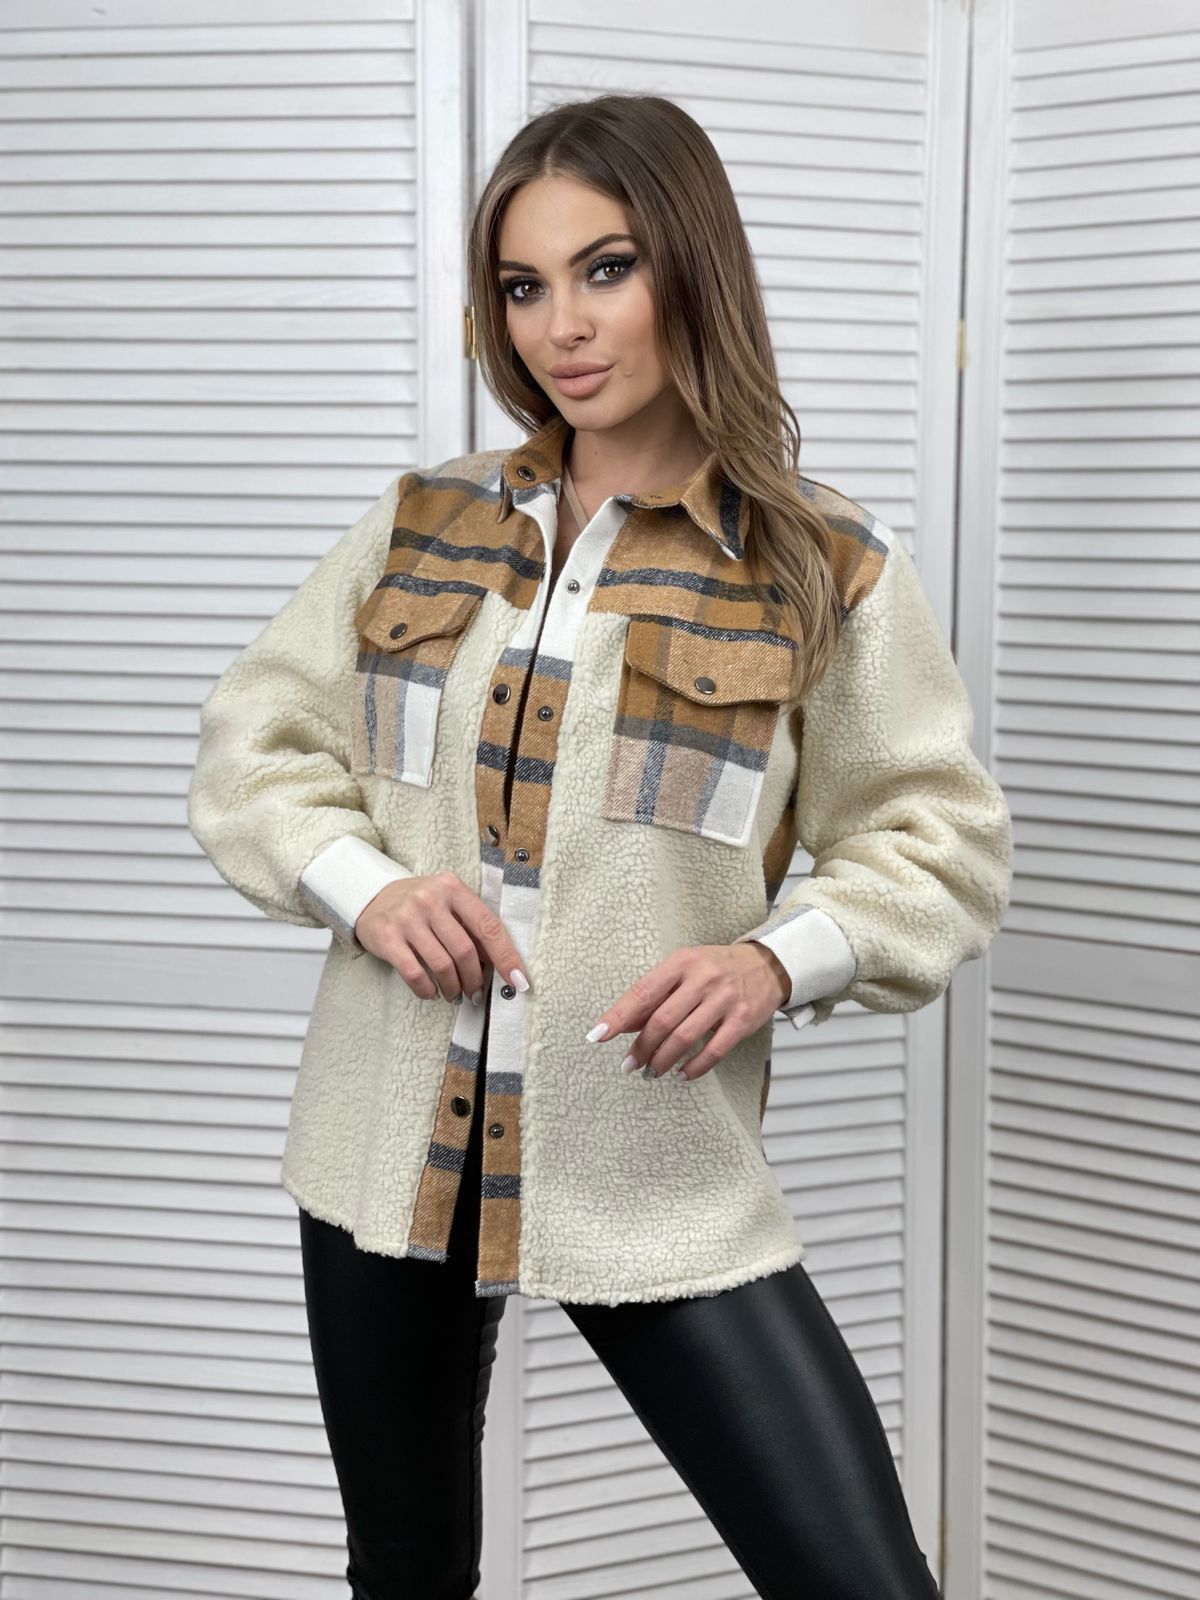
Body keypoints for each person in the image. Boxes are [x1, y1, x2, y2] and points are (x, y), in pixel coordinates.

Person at [188, 94, 1012, 1600]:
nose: (561, 326)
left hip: (648, 1163)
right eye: (524, 285)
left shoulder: (821, 566)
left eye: (606, 269)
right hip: (382, 1148)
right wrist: (371, 889)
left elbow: (937, 839)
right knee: (405, 1575)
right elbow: (258, 744)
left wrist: (776, 963)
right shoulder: (423, 524)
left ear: (692, 267)